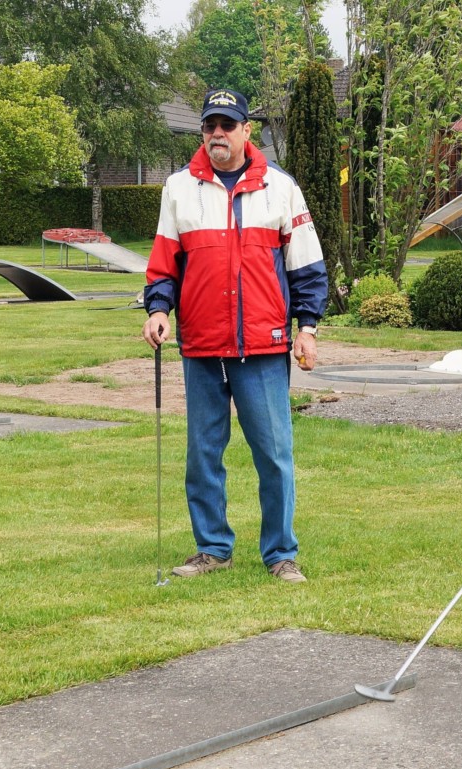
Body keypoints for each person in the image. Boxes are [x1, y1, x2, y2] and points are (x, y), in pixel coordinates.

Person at [143, 88, 328, 584]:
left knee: (273, 453)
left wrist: (306, 327)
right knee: (203, 453)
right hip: (201, 343)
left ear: (249, 130)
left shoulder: (281, 188)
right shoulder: (178, 188)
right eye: (210, 126)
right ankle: (212, 548)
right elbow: (164, 265)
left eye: (227, 125)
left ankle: (281, 554)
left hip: (263, 345)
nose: (217, 134)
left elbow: (307, 267)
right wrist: (159, 310)